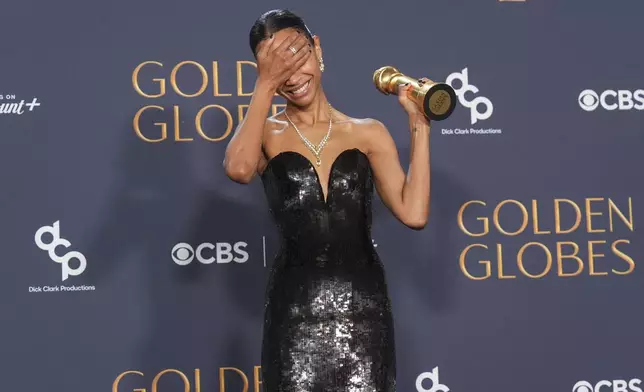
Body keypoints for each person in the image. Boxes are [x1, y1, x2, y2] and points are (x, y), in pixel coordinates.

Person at [223, 8, 431, 392]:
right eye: (275, 64)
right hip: (295, 315)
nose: (291, 74)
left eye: (295, 54)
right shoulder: (265, 133)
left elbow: (414, 213)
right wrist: (265, 86)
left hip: (364, 312)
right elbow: (238, 169)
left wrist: (419, 126)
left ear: (317, 48)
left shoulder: (368, 132)